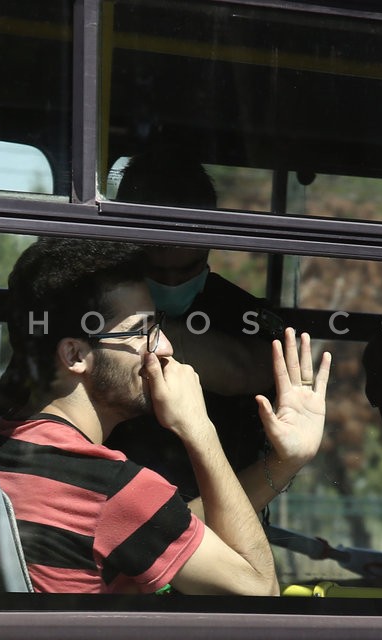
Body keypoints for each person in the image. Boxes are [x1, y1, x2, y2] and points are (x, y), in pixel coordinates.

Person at [0, 238, 331, 594]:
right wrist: (199, 429)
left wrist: (284, 462)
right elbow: (258, 590)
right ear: (75, 355)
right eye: (142, 331)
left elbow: (163, 525)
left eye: (159, 326)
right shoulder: (109, 486)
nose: (165, 348)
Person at [104, 151, 283, 500]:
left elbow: (253, 369)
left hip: (219, 509)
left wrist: (138, 334)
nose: (171, 283)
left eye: (186, 269)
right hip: (112, 501)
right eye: (155, 271)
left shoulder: (242, 313)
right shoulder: (94, 303)